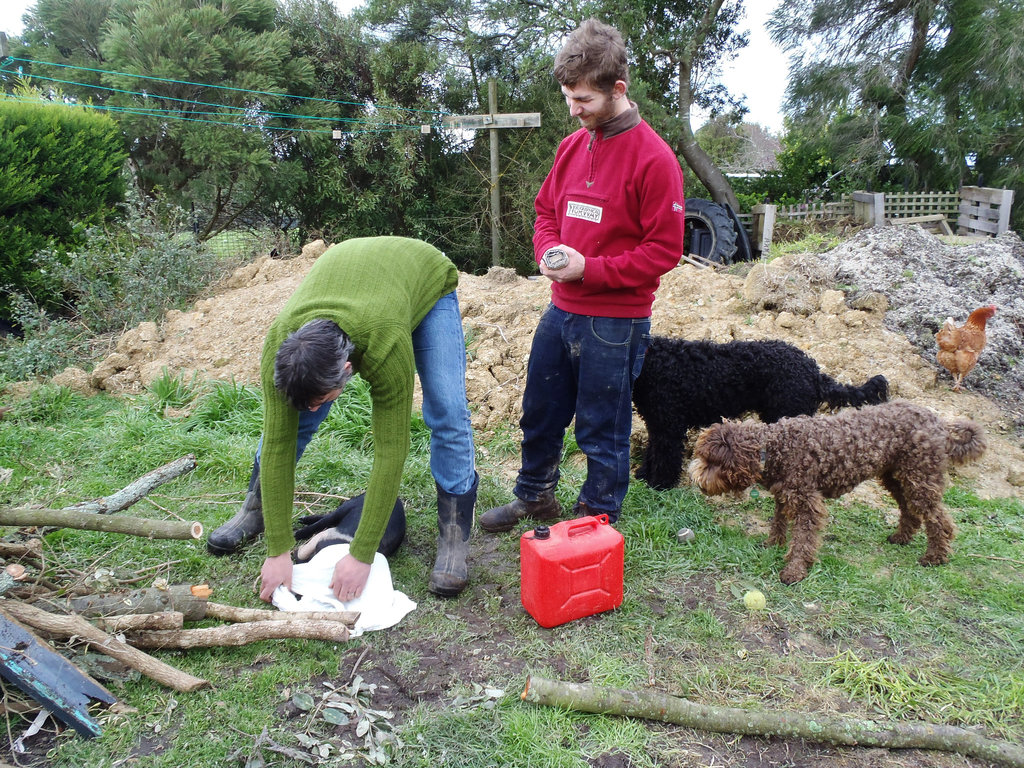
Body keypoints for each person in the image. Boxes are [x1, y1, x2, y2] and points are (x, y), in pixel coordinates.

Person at [479, 18, 685, 532]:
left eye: (584, 102)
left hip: (615, 322)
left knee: (602, 427)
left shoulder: (655, 160)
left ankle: (597, 519)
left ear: (618, 89)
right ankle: (535, 497)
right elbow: (546, 210)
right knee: (541, 411)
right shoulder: (573, 147)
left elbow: (664, 250)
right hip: (562, 311)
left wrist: (588, 268)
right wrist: (550, 251)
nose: (573, 111)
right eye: (568, 98)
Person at [206, 236, 478, 600]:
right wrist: (278, 549)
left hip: (423, 279)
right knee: (297, 420)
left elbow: (390, 450)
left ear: (348, 370)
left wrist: (362, 554)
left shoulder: (385, 343)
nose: (317, 408)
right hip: (356, 278)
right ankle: (256, 510)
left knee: (446, 409)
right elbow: (276, 445)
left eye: (323, 400)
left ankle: (454, 534)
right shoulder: (281, 345)